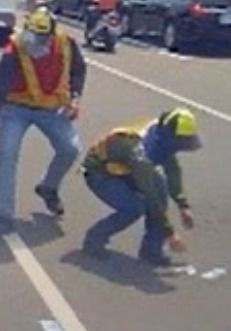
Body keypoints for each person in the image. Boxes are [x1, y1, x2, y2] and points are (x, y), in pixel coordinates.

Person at [0, 7, 86, 239]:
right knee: (7, 154)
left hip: (51, 108)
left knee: (70, 149)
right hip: (15, 109)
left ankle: (48, 188)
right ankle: (4, 216)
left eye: (42, 39)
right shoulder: (13, 51)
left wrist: (75, 99)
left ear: (52, 36)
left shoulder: (66, 43)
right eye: (32, 37)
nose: (36, 44)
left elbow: (78, 71)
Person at [80, 107, 203, 266]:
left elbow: (172, 170)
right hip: (101, 173)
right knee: (133, 207)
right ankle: (93, 239)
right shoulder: (139, 151)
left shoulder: (162, 135)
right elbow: (150, 194)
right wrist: (170, 233)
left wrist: (182, 204)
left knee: (161, 190)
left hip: (127, 169)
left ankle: (151, 251)